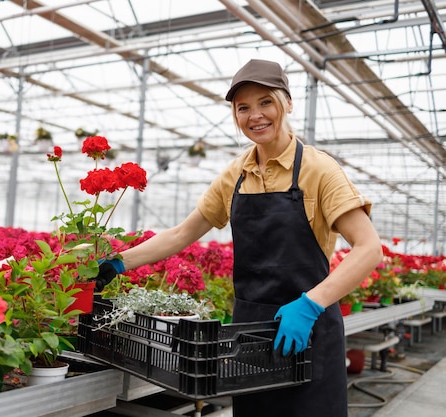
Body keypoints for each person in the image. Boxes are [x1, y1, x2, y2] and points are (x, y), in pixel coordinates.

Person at [94, 59, 383, 417]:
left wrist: (310, 304)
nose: (255, 115)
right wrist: (120, 262)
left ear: (287, 104)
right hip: (249, 336)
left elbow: (369, 248)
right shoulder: (236, 173)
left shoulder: (318, 170)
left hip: (307, 332)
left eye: (266, 102)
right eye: (242, 107)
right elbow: (184, 233)